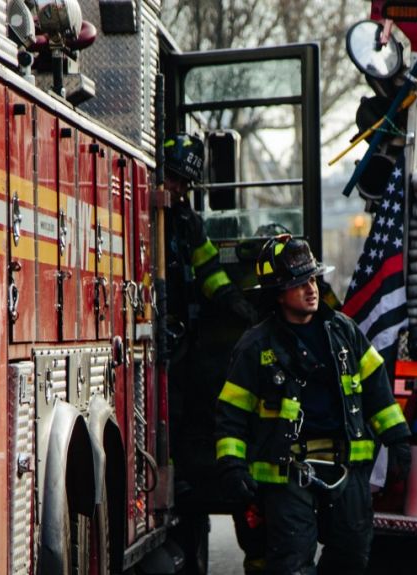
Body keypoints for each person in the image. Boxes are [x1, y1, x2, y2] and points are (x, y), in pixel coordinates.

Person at [214, 234, 412, 575]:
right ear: (278, 293)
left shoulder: (345, 333)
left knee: (352, 556)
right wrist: (232, 465)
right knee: (291, 563)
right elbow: (231, 413)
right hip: (288, 473)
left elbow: (378, 391)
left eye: (312, 278)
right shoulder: (255, 347)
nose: (311, 289)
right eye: (299, 282)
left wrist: (398, 440)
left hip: (346, 468)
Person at [162, 132, 261, 573]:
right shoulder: (148, 211)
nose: (180, 189)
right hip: (153, 321)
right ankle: (172, 473)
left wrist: (235, 303)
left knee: (182, 406)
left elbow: (207, 271)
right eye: (175, 179)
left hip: (177, 330)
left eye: (185, 183)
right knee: (169, 405)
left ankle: (179, 473)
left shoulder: (185, 220)